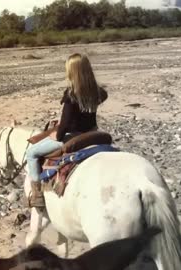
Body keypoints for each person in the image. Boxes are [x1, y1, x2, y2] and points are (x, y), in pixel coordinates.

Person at [26, 53, 108, 208]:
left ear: (71, 72)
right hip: (92, 134)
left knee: (31, 153)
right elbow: (94, 104)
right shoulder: (98, 92)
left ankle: (37, 195)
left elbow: (64, 127)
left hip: (72, 136)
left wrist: (56, 134)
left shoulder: (71, 94)